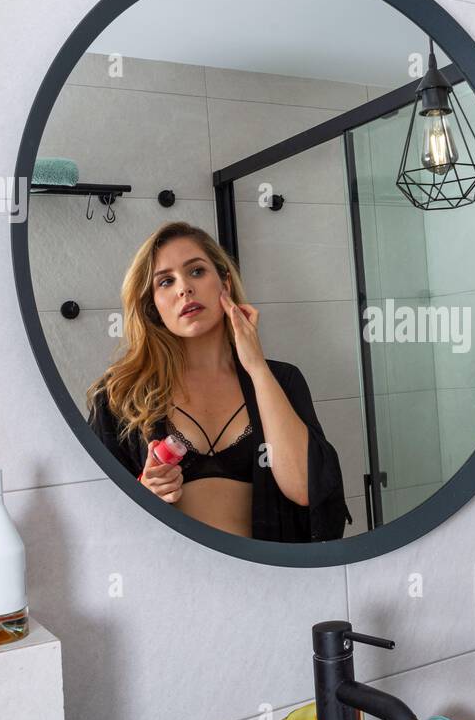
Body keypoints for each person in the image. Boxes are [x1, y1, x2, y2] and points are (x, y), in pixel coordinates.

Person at [87, 221, 351, 542]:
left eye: (197, 271)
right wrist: (144, 495)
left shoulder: (281, 379)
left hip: (274, 583)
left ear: (224, 281)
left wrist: (257, 368)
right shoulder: (119, 396)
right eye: (166, 281)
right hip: (173, 584)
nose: (184, 287)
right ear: (152, 306)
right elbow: (96, 517)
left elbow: (306, 489)